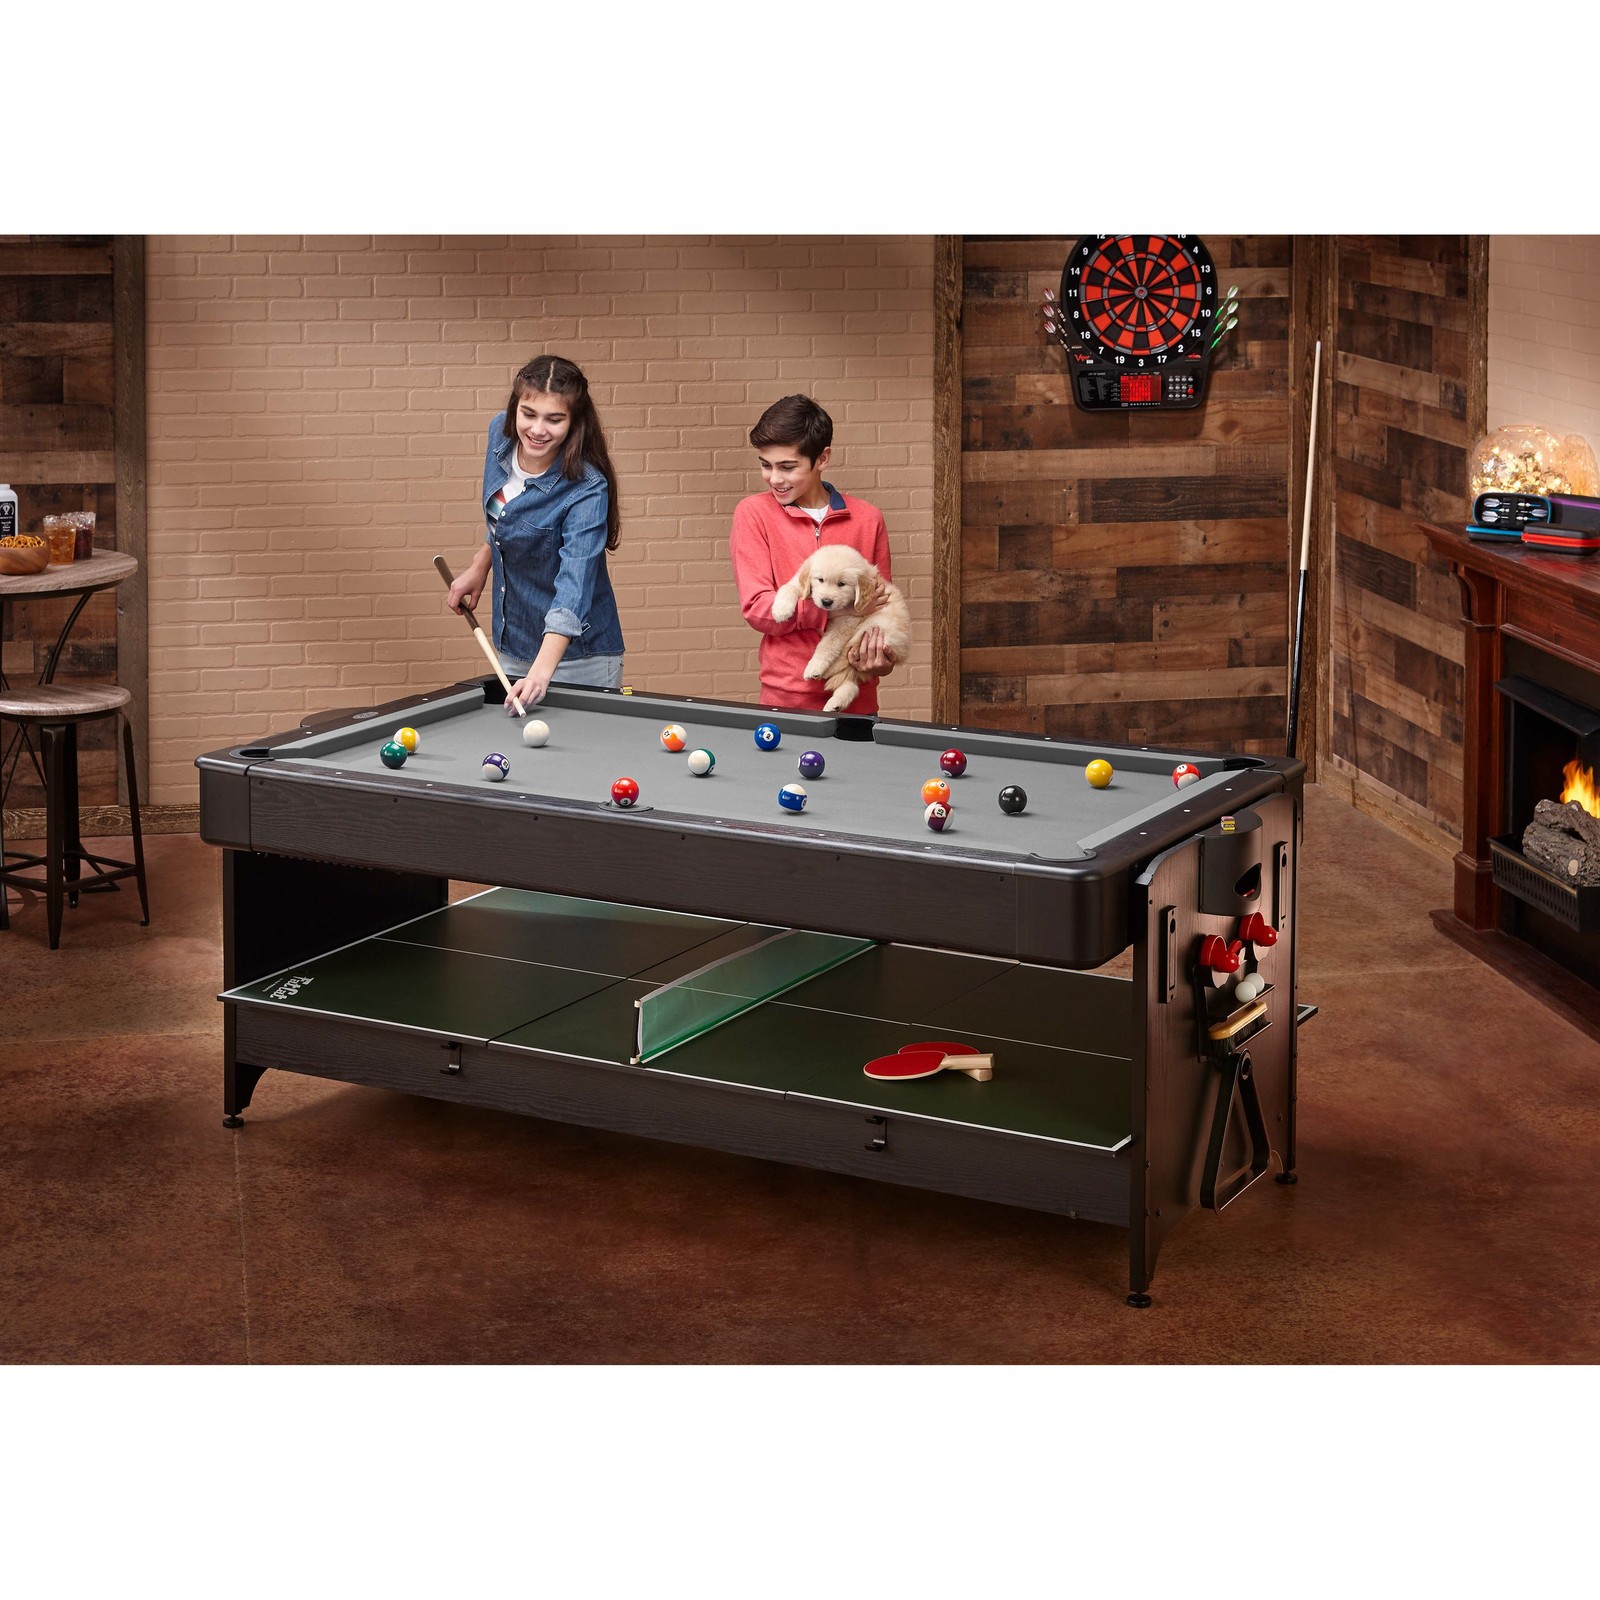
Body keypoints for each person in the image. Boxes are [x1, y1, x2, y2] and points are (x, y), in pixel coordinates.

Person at [447, 355, 624, 709]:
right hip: (513, 644)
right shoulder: (499, 434)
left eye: (554, 419)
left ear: (574, 422)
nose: (538, 429)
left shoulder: (587, 488)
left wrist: (541, 673)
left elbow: (574, 587)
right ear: (516, 407)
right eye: (528, 414)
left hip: (579, 660)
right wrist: (481, 565)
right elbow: (505, 516)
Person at [728, 394, 898, 714]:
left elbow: (880, 608)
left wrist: (882, 660)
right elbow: (758, 609)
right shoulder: (753, 514)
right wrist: (836, 610)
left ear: (822, 458)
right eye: (766, 465)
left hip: (856, 700)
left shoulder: (868, 519)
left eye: (787, 467)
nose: (774, 478)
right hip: (786, 698)